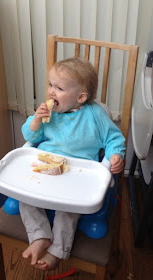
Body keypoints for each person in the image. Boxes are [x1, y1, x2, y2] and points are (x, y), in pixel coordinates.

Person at [19, 57, 125, 271]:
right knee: (24, 197)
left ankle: (58, 250)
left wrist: (116, 155)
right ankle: (39, 236)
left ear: (81, 97)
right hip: (45, 167)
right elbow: (30, 134)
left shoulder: (95, 115)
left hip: (78, 174)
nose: (50, 92)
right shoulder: (48, 113)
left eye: (58, 88)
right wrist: (36, 120)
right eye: (50, 84)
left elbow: (114, 138)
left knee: (68, 210)